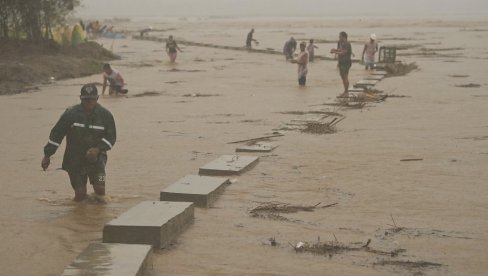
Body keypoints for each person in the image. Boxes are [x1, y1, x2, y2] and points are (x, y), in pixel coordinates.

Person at [41, 84, 116, 202]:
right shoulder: (70, 114)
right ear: (80, 98)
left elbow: (111, 138)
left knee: (101, 190)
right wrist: (47, 155)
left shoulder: (106, 116)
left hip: (98, 161)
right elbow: (57, 135)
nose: (89, 102)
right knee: (80, 194)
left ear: (97, 98)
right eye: (86, 99)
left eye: (92, 99)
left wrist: (97, 150)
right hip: (74, 160)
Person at [330, 31, 352, 98]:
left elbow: (344, 52)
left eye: (340, 36)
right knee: (343, 77)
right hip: (342, 62)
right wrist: (335, 50)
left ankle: (346, 92)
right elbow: (341, 50)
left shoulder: (347, 43)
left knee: (345, 77)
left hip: (346, 62)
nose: (339, 38)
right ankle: (345, 91)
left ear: (343, 37)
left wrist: (334, 52)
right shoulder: (341, 43)